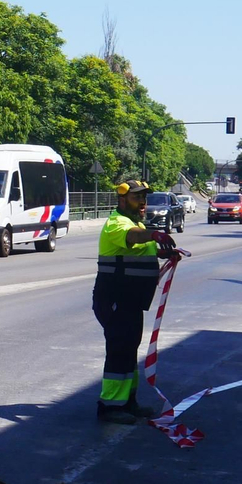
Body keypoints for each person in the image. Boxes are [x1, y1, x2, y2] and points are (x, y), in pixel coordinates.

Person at [93, 180, 175, 424]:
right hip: (115, 298)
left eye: (144, 198)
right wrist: (154, 233)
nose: (142, 203)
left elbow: (140, 249)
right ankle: (109, 407)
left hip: (131, 300)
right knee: (119, 350)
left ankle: (128, 401)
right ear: (121, 200)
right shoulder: (117, 223)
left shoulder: (135, 223)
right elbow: (133, 237)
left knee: (129, 349)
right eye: (136, 197)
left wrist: (163, 253)